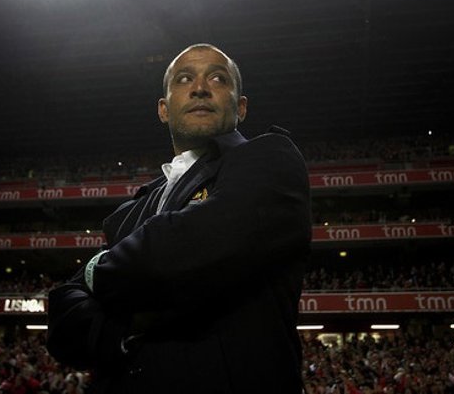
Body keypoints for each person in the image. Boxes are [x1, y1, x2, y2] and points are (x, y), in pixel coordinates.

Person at [46, 43, 312, 393]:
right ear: (163, 109)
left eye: (218, 78)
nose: (200, 87)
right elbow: (62, 317)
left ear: (241, 107)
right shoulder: (126, 213)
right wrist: (125, 329)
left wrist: (94, 272)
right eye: (184, 79)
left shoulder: (271, 159)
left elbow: (180, 253)